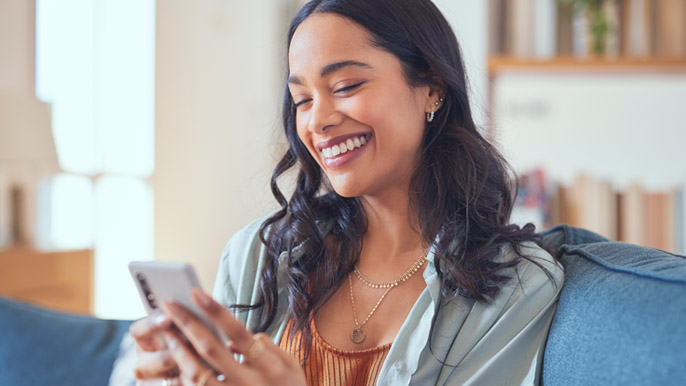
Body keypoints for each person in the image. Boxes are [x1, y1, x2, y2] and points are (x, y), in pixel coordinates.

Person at [129, 0, 564, 385]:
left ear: (432, 88)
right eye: (302, 100)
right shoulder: (259, 255)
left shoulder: (516, 286)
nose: (317, 122)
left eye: (345, 87)